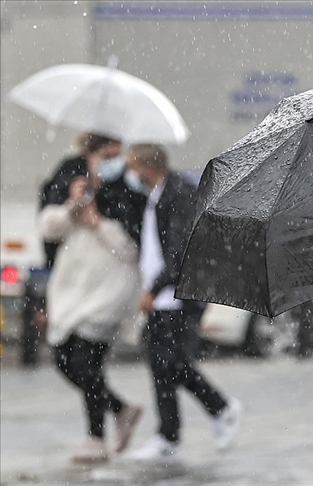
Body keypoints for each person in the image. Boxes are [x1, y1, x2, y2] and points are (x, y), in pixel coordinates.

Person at [124, 144, 242, 464]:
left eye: (132, 166)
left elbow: (179, 251)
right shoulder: (158, 194)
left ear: (147, 167)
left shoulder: (179, 193)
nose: (129, 173)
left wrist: (154, 288)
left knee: (174, 363)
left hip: (177, 296)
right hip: (164, 298)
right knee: (160, 364)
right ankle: (169, 437)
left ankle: (221, 409)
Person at [39, 133, 145, 464]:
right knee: (62, 357)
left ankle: (95, 438)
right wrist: (73, 205)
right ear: (90, 153)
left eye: (118, 154)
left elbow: (131, 247)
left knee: (86, 360)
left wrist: (97, 222)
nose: (113, 161)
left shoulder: (128, 191)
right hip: (73, 287)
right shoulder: (70, 178)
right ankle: (121, 408)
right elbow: (48, 229)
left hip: (110, 289)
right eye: (107, 154)